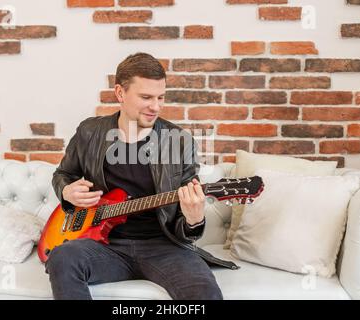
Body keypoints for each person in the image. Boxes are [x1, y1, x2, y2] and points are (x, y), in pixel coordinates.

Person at [46, 52, 237, 300]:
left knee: (205, 294)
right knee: (63, 257)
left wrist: (194, 220)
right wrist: (66, 190)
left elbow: (188, 222)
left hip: (165, 247)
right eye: (146, 97)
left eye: (160, 97)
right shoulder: (89, 132)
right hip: (105, 246)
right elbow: (64, 174)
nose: (155, 106)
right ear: (120, 93)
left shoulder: (179, 142)